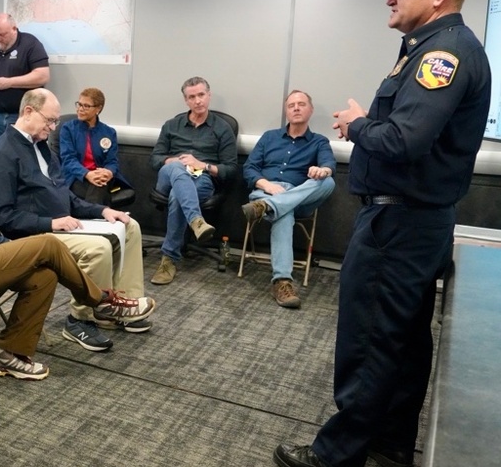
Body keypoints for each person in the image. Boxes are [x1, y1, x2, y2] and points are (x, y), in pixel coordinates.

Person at [274, 0, 491, 467]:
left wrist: (359, 123)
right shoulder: (434, 47)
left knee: (371, 339)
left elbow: (403, 139)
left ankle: (338, 457)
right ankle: (391, 441)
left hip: (398, 225)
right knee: (402, 338)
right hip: (415, 222)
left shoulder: (443, 55)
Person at [0, 105, 155, 379]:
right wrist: (7, 244)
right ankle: (101, 301)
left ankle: (7, 354)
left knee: (43, 276)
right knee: (48, 245)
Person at [0, 89, 151, 353]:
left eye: (54, 122)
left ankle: (121, 306)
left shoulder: (41, 148)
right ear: (28, 112)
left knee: (129, 226)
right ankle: (80, 319)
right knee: (99, 249)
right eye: (49, 121)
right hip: (32, 235)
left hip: (58, 224)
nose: (52, 127)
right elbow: (1, 217)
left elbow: (66, 198)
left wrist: (101, 211)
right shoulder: (1, 155)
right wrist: (50, 223)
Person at [241, 90, 336, 309]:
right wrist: (267, 185)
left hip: (295, 198)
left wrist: (321, 171)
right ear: (286, 111)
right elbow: (250, 168)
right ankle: (282, 281)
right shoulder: (269, 137)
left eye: (301, 104)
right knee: (283, 213)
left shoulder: (319, 142)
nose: (296, 108)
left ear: (310, 110)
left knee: (328, 182)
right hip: (263, 194)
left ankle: (270, 207)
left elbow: (328, 165)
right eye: (291, 104)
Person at [148, 77, 238, 285]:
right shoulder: (172, 125)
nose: (197, 101)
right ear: (185, 100)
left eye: (201, 95)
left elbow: (231, 169)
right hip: (168, 177)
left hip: (202, 177)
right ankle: (196, 220)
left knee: (176, 196)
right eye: (192, 97)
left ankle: (169, 258)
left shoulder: (222, 128)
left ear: (209, 95)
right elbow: (154, 159)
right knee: (177, 168)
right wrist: (174, 161)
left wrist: (201, 164)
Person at [0, 13, 50, 147]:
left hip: (22, 117)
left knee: (21, 159)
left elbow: (42, 76)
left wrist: (9, 82)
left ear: (14, 29)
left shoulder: (30, 44)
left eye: (2, 35)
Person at [59, 87, 132, 206]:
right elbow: (68, 159)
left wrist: (108, 172)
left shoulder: (109, 132)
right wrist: (87, 174)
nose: (80, 109)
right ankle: (100, 218)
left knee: (99, 184)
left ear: (98, 108)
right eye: (79, 104)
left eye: (86, 106)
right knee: (98, 188)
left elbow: (112, 161)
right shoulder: (68, 129)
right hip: (76, 177)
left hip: (101, 177)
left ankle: (90, 219)